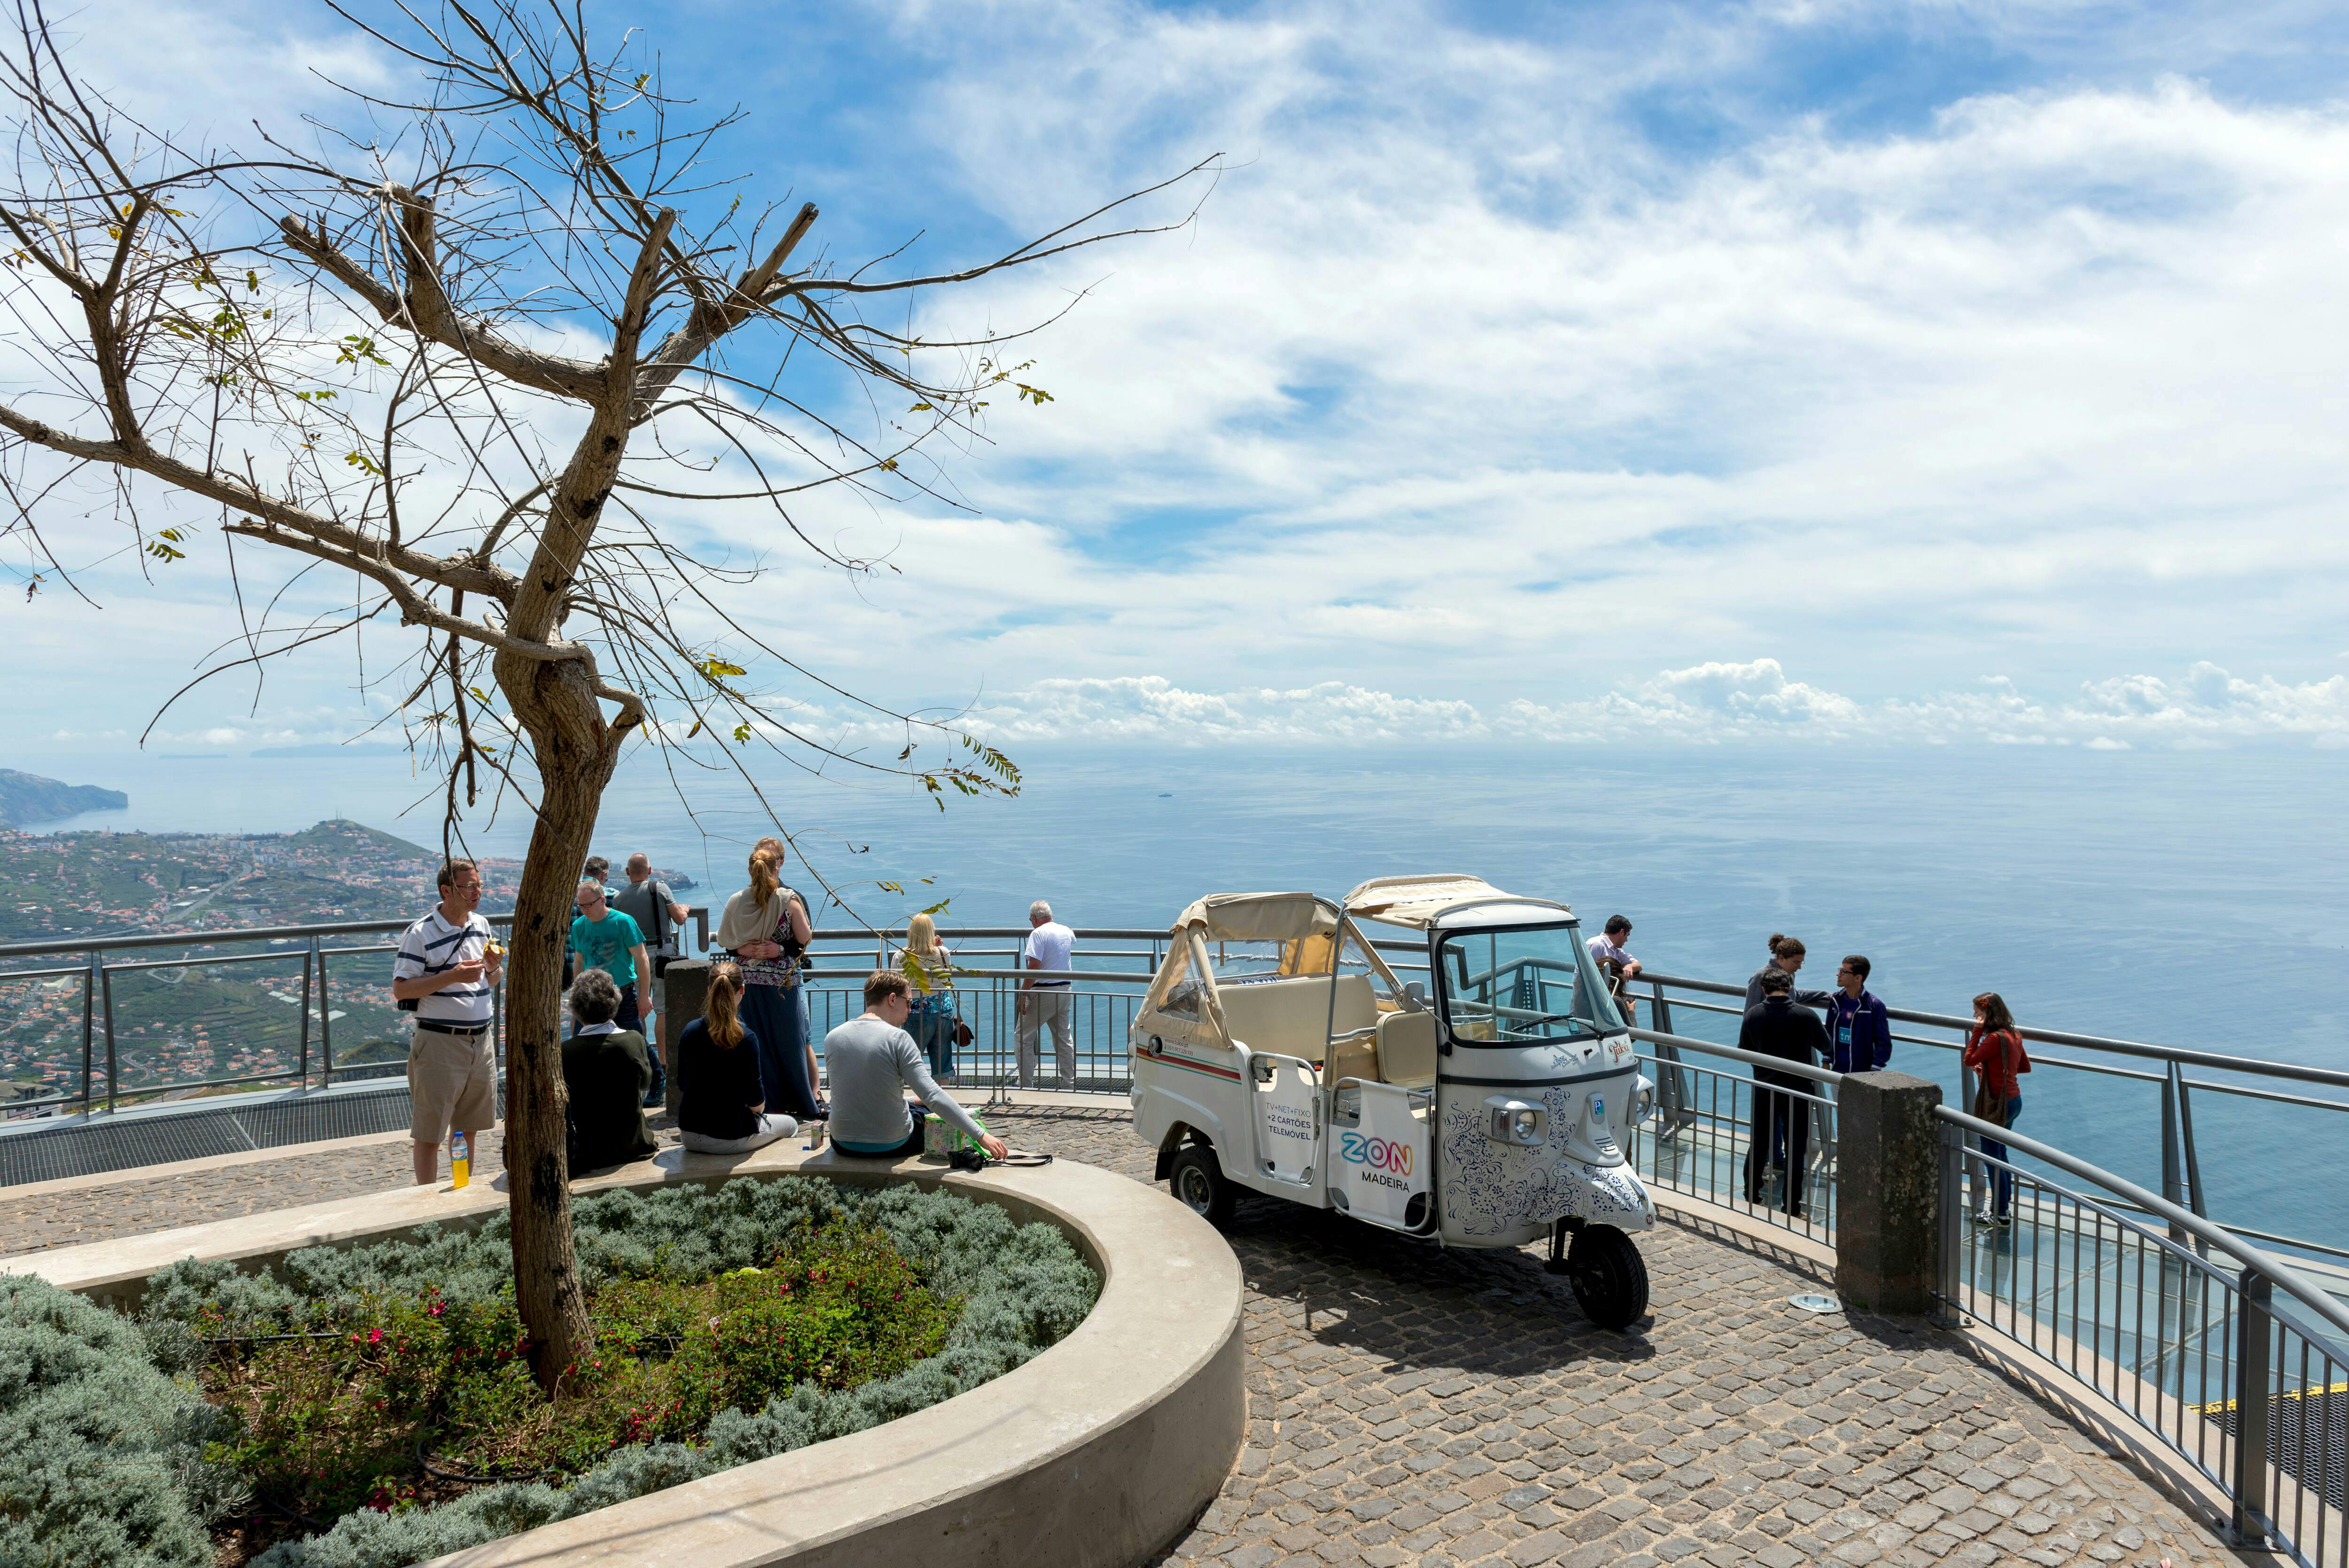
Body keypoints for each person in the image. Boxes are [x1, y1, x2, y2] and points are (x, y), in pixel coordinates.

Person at [391, 859, 503, 1187]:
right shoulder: (421, 933)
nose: (477, 892)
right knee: (431, 1132)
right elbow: (401, 989)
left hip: (480, 1041)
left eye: (479, 885)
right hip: (439, 1042)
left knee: (468, 1127)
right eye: (470, 886)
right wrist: (451, 976)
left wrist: (494, 967)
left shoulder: (481, 924)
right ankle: (427, 1202)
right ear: (446, 890)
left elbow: (492, 981)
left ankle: (461, 1190)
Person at [826, 970, 1007, 1160]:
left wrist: (911, 1101)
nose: (911, 1010)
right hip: (893, 1144)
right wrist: (980, 1135)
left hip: (841, 1143)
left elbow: (864, 1093)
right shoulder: (898, 1039)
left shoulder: (834, 1037)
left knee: (914, 1105)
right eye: (909, 1002)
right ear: (893, 999)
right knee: (929, 1112)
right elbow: (933, 1096)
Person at [715, 839, 822, 1120]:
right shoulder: (788, 899)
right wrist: (782, 949)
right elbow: (805, 938)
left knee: (757, 1043)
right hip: (783, 984)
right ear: (777, 867)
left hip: (746, 985)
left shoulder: (736, 901)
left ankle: (767, 1102)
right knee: (792, 1043)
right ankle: (803, 1101)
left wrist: (741, 949)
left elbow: (724, 938)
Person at [675, 961, 798, 1155]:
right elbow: (757, 1105)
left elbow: (682, 1083)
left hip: (689, 1134)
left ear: (710, 990)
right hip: (730, 1136)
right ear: (742, 989)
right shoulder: (746, 1038)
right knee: (790, 1125)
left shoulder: (690, 1031)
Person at [1739, 969, 1828, 1219]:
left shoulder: (1753, 1015)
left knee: (1759, 1142)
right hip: (1798, 1090)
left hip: (1765, 1087)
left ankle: (1752, 1197)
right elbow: (1826, 1044)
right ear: (1789, 988)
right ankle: (1792, 1208)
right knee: (1796, 1148)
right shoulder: (1806, 1015)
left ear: (1764, 990)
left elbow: (1744, 1048)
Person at [609, 853, 690, 1105]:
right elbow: (678, 918)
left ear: (627, 872)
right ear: (650, 870)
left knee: (637, 1010)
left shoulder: (619, 899)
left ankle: (643, 1059)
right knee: (662, 1009)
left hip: (634, 956)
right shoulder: (660, 887)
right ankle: (663, 1061)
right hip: (662, 954)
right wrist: (685, 910)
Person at [569, 880, 659, 1104]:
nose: (584, 910)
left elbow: (642, 959)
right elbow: (579, 961)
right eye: (580, 905)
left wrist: (645, 996)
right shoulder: (580, 926)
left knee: (636, 1041)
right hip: (591, 996)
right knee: (581, 1042)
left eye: (588, 905)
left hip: (623, 994)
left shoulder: (623, 922)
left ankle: (658, 1081)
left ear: (601, 900)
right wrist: (576, 995)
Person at [561, 969, 656, 1172]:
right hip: (636, 1145)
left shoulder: (565, 1051)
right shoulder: (633, 1041)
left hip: (590, 1150)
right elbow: (646, 1082)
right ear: (615, 1002)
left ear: (576, 1009)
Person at [1963, 991, 2031, 1226]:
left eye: (1978, 1013)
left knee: (1991, 1157)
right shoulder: (2014, 1035)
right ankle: (2002, 1209)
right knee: (2000, 1155)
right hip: (2014, 1101)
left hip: (1995, 1105)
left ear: (1987, 1013)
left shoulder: (1993, 1039)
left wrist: (1977, 1033)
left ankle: (2000, 1213)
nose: (1975, 1016)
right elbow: (2023, 1067)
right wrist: (1988, 1071)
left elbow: (1969, 1059)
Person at [1017, 899, 1076, 1089]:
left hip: (1044, 992)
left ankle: (1025, 1084)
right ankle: (1069, 1084)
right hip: (1065, 990)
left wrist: (1023, 994)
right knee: (1063, 1039)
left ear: (1034, 918)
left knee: (1023, 1037)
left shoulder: (1038, 933)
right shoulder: (1066, 931)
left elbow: (1034, 966)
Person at [894, 911, 958, 1081]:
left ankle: (914, 1105)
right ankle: (941, 1105)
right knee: (942, 1067)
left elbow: (897, 985)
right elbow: (945, 976)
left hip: (915, 1013)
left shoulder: (901, 956)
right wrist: (937, 946)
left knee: (910, 1064)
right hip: (944, 1012)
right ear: (932, 932)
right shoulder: (944, 952)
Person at [1822, 956, 1893, 1074]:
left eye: (1843, 972)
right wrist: (1826, 1060)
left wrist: (1874, 1070)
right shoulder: (1836, 1000)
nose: (1838, 974)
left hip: (1863, 1074)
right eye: (1840, 970)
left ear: (1858, 978)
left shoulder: (1873, 1005)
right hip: (1836, 1070)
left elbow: (1883, 1041)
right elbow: (1829, 1031)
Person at [1745, 934, 1835, 1010]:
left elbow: (1795, 994)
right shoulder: (1760, 976)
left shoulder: (1788, 975)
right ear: (1781, 958)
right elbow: (1750, 1014)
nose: (1799, 967)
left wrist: (1827, 995)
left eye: (1801, 962)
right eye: (1796, 962)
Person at [1587, 915, 1640, 1027]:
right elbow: (1587, 974)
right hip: (1594, 1003)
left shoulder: (1616, 950)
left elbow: (1638, 965)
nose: (1627, 940)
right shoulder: (1596, 945)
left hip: (1605, 1002)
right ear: (1621, 932)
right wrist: (1631, 1011)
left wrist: (1630, 967)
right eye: (1627, 935)